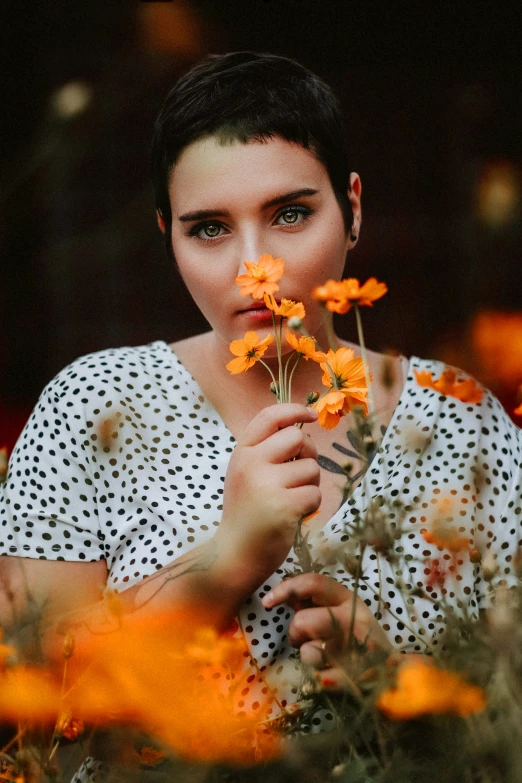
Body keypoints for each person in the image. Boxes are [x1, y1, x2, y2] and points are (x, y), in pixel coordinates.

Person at [0, 52, 521, 779]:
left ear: (355, 209)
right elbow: (34, 726)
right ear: (166, 233)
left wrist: (396, 682)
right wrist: (226, 558)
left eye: (291, 214)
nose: (255, 267)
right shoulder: (94, 406)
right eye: (209, 228)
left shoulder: (461, 421)